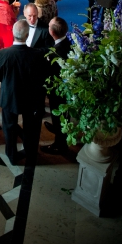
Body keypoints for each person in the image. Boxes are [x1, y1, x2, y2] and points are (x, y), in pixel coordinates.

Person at [0, 20, 48, 164]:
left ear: (13, 34)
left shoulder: (2, 54)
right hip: (30, 98)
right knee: (30, 128)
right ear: (27, 35)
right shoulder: (37, 54)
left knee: (9, 127)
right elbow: (42, 76)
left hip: (9, 97)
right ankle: (30, 152)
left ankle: (12, 155)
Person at [41, 17, 72, 154]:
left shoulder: (56, 52)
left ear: (52, 32)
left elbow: (50, 72)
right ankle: (58, 128)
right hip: (66, 87)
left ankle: (60, 144)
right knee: (63, 115)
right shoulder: (67, 42)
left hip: (58, 90)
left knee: (59, 114)